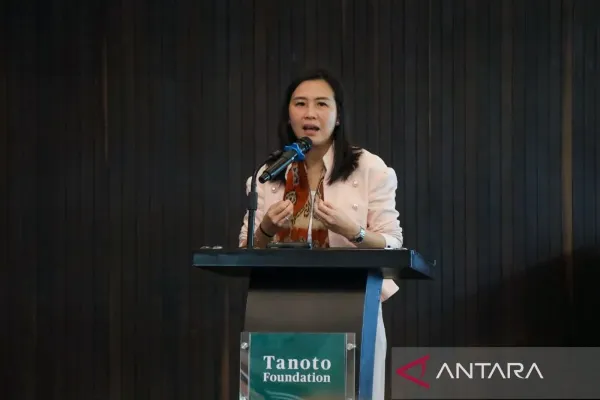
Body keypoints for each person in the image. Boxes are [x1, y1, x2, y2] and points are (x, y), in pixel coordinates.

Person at [238, 69, 403, 400]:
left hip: (350, 308)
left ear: (338, 116)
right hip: (279, 311)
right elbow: (246, 249)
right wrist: (266, 228)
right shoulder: (269, 173)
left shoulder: (370, 169)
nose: (309, 113)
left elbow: (392, 244)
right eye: (300, 104)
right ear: (289, 114)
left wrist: (353, 232)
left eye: (321, 104)